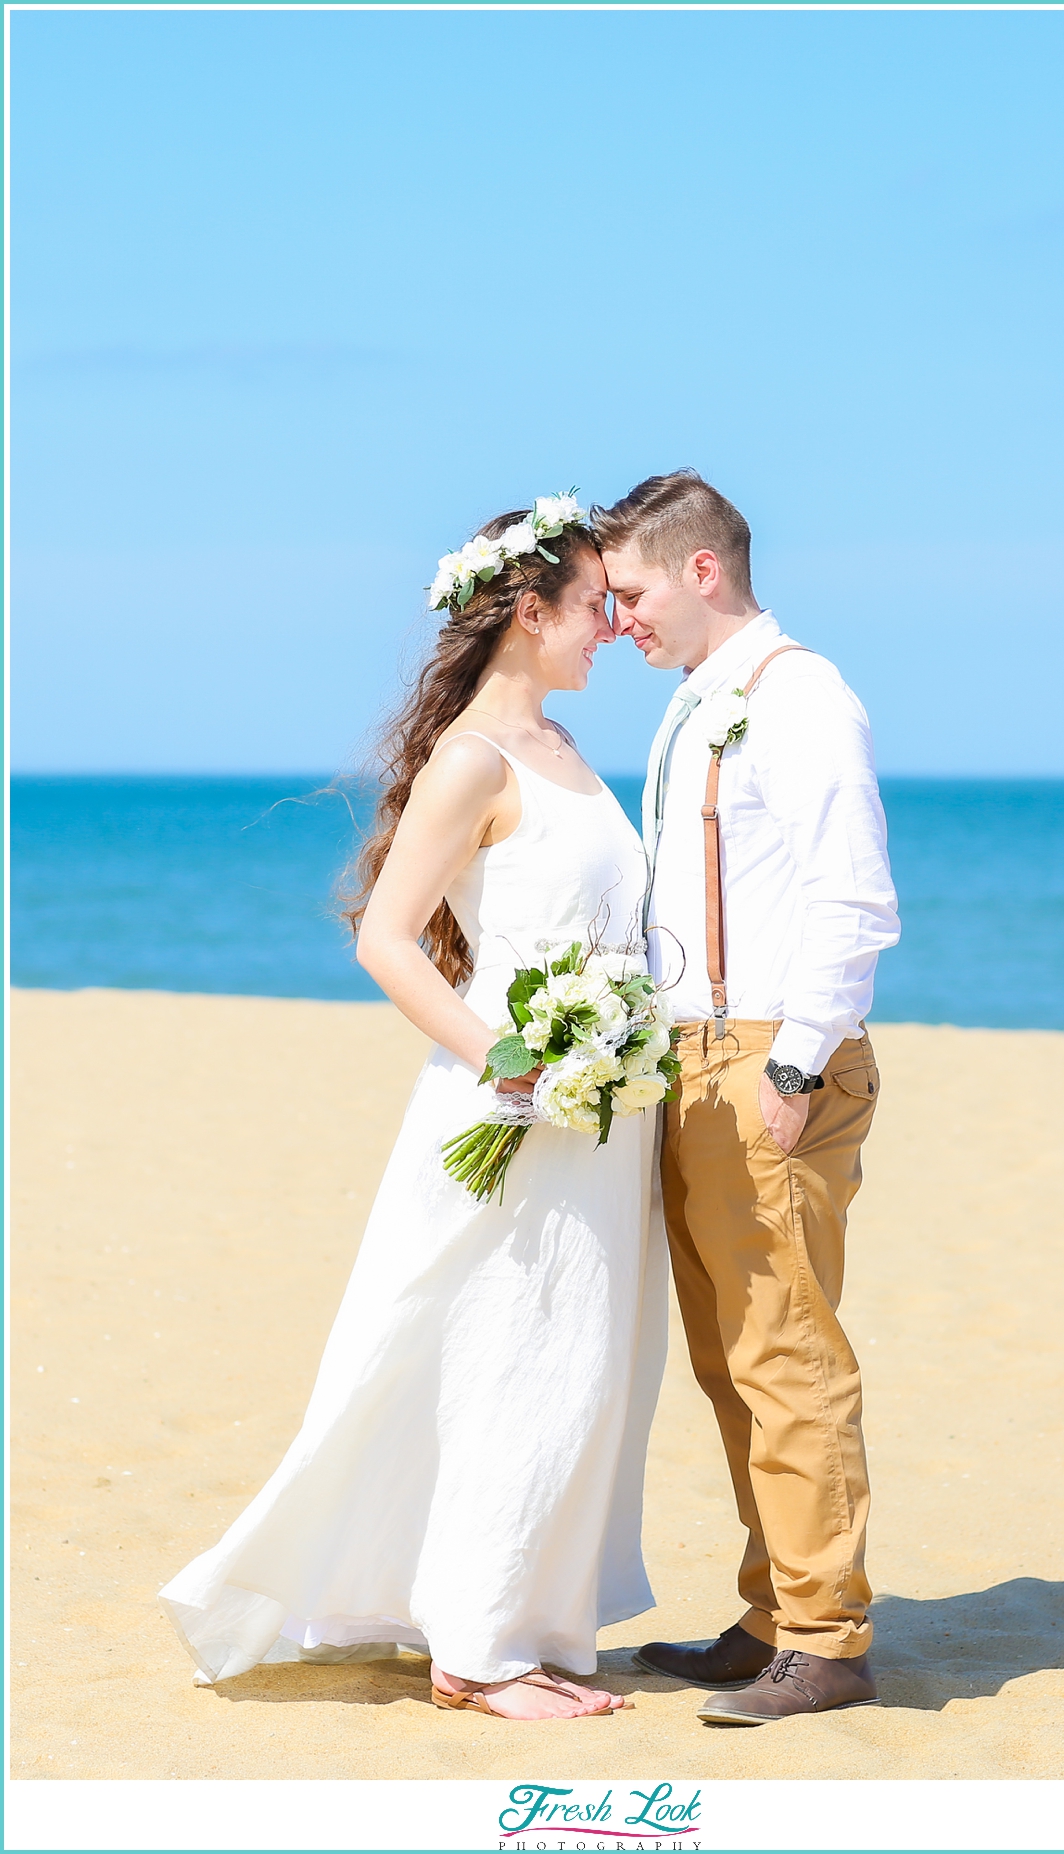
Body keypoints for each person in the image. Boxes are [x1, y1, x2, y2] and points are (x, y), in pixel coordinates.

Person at [160, 496, 668, 1722]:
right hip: (517, 1105)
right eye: (594, 604)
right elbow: (389, 941)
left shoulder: (565, 750)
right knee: (504, 1353)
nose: (610, 624)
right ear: (527, 611)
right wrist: (516, 1063)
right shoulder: (475, 760)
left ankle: (506, 1619)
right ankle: (481, 1650)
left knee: (576, 1363)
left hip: (600, 1114)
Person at [593, 470, 900, 1726]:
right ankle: (776, 1610)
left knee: (784, 1348)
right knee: (731, 1359)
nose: (618, 621)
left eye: (631, 591)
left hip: (768, 1053)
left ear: (702, 570)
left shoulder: (802, 694)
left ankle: (827, 1637)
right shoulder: (696, 703)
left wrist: (794, 1061)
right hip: (689, 1054)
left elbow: (853, 895)